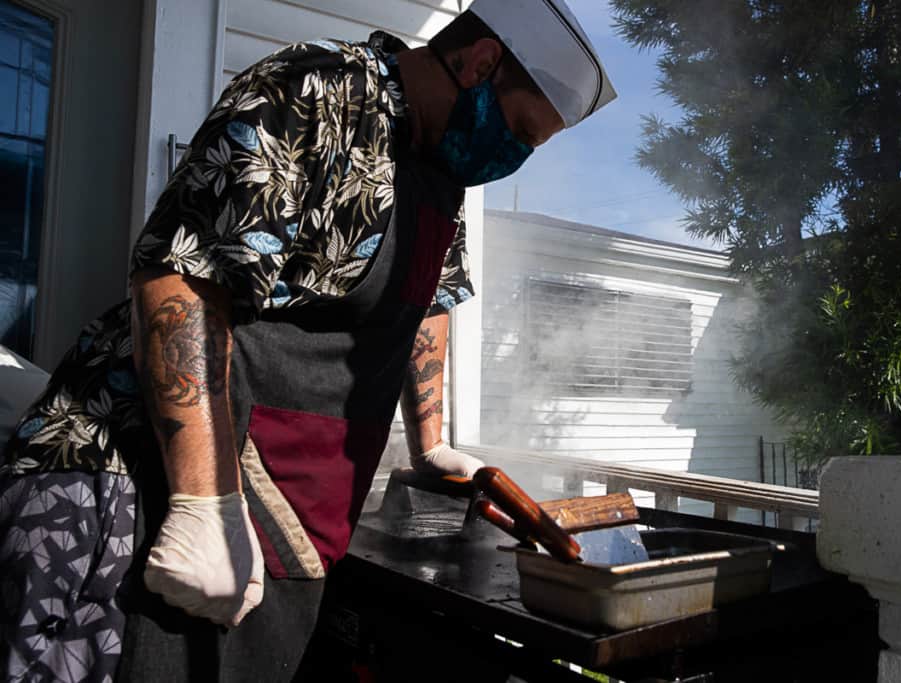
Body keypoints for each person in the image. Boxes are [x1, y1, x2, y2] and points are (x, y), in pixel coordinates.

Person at [0, 0, 615, 680]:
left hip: (284, 516)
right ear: (482, 63)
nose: (516, 156)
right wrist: (204, 503)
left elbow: (426, 299)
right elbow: (181, 278)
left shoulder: (439, 169)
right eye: (522, 131)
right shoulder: (318, 92)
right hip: (123, 485)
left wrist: (429, 441)